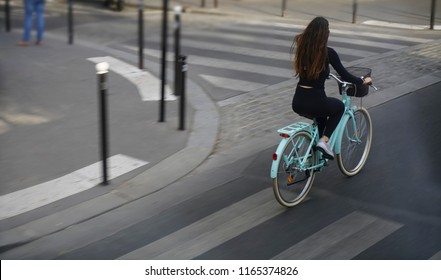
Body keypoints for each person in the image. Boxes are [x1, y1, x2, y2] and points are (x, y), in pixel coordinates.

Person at [291, 17, 372, 160]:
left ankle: (316, 154)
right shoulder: (328, 53)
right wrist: (362, 80)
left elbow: (312, 70)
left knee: (321, 116)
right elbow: (345, 75)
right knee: (339, 107)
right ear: (324, 34)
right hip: (316, 101)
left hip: (297, 101)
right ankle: (324, 141)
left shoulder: (303, 49)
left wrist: (323, 74)